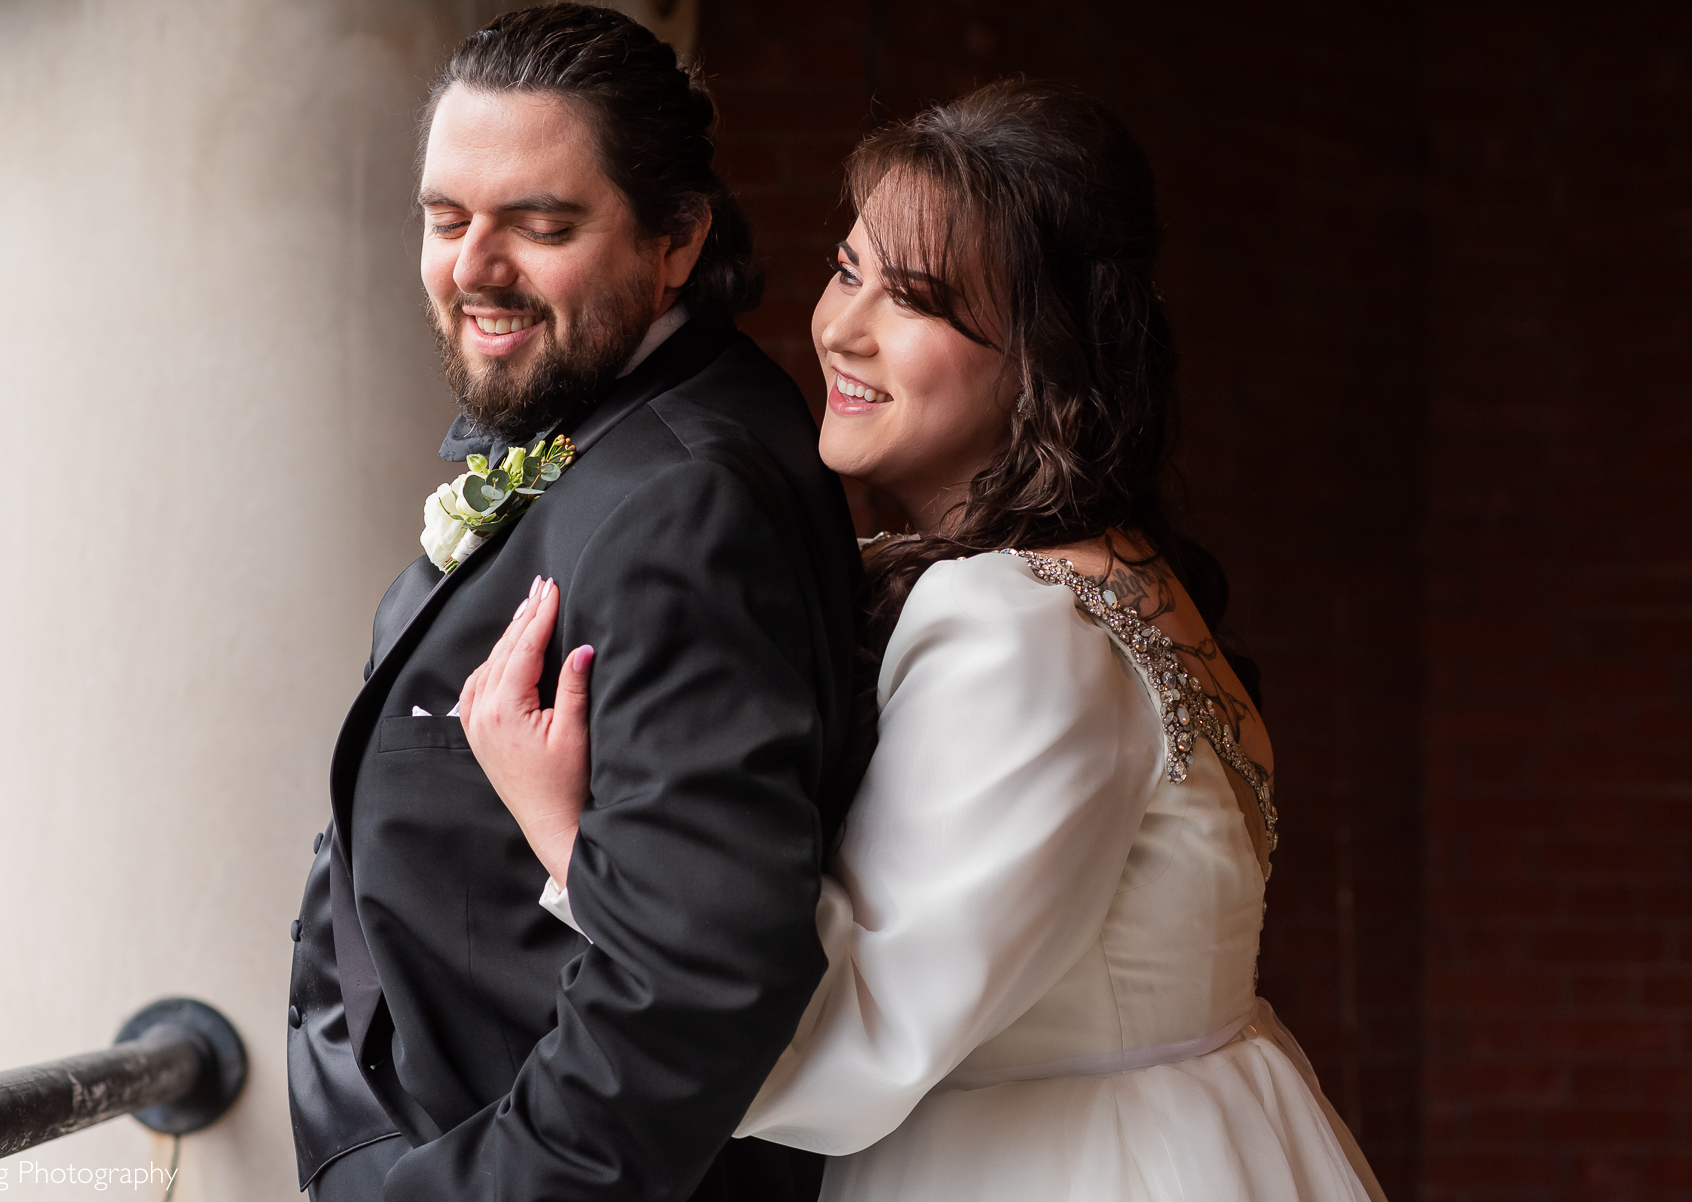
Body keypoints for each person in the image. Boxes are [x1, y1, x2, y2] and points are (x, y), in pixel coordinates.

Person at [462, 81, 1390, 1201]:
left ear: (1043, 353)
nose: (842, 329)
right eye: (848, 269)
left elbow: (857, 1037)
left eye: (916, 298)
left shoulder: (1020, 627)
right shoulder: (1115, 572)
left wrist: (566, 831)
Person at [284, 8, 860, 1201]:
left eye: (540, 226)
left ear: (678, 239)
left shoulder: (686, 501)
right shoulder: (592, 427)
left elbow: (694, 982)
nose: (473, 268)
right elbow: (351, 862)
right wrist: (352, 1154)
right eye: (446, 220)